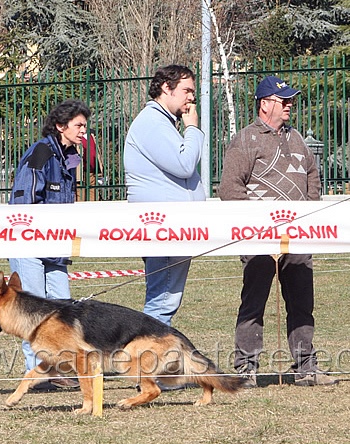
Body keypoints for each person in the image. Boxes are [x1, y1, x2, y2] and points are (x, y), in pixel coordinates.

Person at [218, 76, 339, 388]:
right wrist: (258, 229)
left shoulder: (297, 138)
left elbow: (312, 176)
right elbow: (230, 188)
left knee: (302, 303)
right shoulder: (245, 140)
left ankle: (306, 368)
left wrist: (307, 215)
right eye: (283, 100)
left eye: (290, 101)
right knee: (253, 304)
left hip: (297, 237)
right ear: (264, 104)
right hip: (259, 239)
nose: (289, 106)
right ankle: (245, 370)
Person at [9, 98, 91, 390]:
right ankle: (37, 374)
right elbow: (24, 197)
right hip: (29, 244)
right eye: (79, 125)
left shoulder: (70, 159)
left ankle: (61, 368)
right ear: (60, 126)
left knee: (63, 307)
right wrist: (28, 237)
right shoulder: (42, 153)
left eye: (85, 125)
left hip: (56, 248)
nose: (84, 130)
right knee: (32, 310)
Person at [124, 64, 206, 327]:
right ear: (165, 88)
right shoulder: (152, 123)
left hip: (172, 227)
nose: (192, 97)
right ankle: (147, 362)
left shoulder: (162, 123)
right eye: (186, 90)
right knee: (162, 300)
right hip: (164, 227)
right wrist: (193, 128)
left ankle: (149, 360)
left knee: (165, 299)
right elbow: (183, 164)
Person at [76, 130, 103, 201]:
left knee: (93, 193)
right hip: (80, 171)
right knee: (80, 193)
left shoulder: (91, 135)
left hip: (91, 171)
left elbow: (97, 152)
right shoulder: (75, 135)